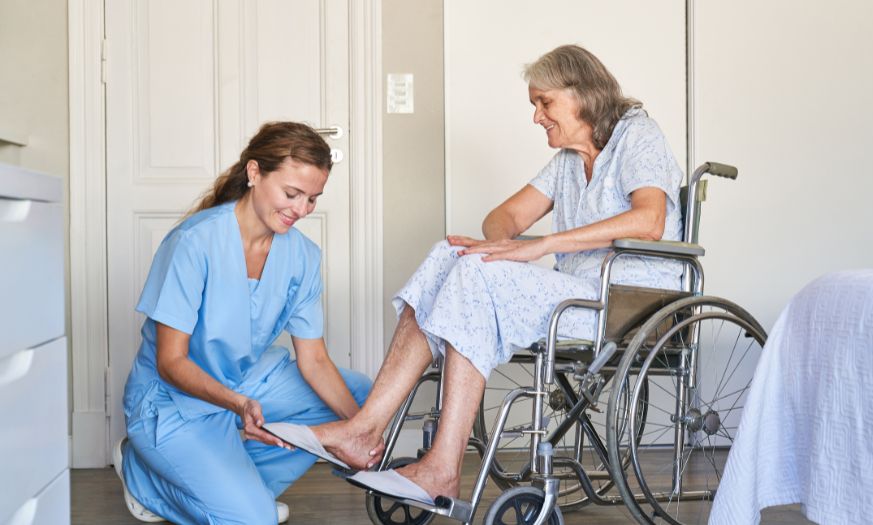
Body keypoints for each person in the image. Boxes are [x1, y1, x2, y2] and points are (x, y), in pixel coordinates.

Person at [312, 44, 684, 500]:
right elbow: (501, 217)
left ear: (582, 94)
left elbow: (650, 221)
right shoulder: (569, 159)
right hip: (579, 293)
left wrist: (543, 245)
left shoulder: (638, 136)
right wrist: (503, 243)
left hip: (629, 300)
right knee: (448, 256)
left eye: (544, 102)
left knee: (476, 274)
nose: (536, 116)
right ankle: (366, 429)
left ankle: (443, 468)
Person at [114, 122, 373, 524]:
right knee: (254, 519)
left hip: (245, 382)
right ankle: (143, 476)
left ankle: (238, 487)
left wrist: (363, 431)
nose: (301, 210)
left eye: (312, 199)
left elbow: (315, 361)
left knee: (360, 397)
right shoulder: (194, 243)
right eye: (292, 194)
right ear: (254, 173)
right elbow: (170, 362)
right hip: (171, 401)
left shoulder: (303, 256)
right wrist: (237, 404)